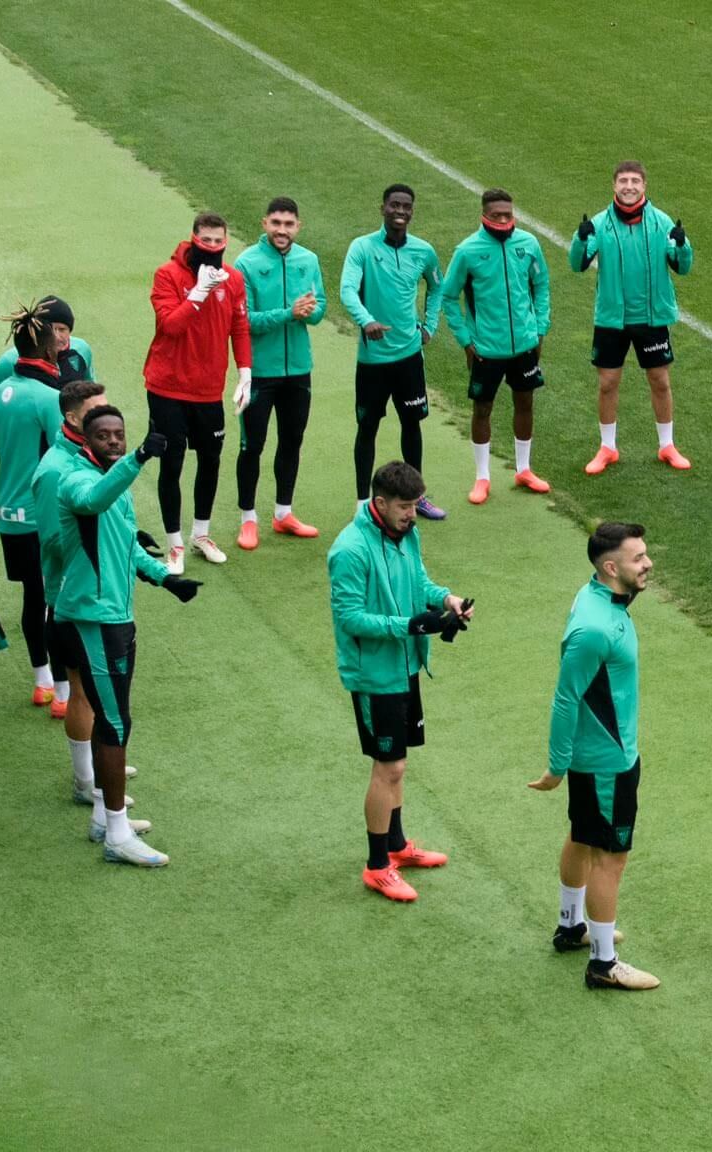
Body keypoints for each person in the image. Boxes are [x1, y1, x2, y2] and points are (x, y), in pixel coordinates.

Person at [54, 406, 200, 866]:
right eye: (104, 435)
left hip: (116, 615)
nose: (113, 441)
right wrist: (137, 457)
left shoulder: (113, 480)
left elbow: (125, 543)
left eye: (120, 434)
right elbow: (95, 500)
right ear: (85, 439)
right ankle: (116, 835)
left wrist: (164, 578)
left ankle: (104, 817)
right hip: (94, 620)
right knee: (115, 724)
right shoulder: (77, 480)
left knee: (107, 719)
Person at [328, 461, 470, 902]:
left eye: (415, 505)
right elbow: (350, 618)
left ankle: (395, 844)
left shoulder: (408, 534)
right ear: (380, 503)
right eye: (405, 506)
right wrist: (409, 625)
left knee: (400, 765)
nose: (413, 513)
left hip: (406, 666)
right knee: (386, 766)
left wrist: (446, 599)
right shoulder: (349, 550)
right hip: (374, 674)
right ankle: (376, 866)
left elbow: (419, 581)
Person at [528, 522, 659, 991]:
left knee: (583, 838)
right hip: (608, 761)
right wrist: (556, 767)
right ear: (610, 567)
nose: (647, 564)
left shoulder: (601, 597)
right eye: (637, 557)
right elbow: (566, 699)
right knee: (611, 856)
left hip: (604, 752)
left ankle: (571, 926)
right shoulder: (593, 628)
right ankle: (604, 964)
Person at [32, 379, 147, 824]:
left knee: (95, 701)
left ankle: (94, 780)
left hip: (92, 598)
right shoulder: (57, 470)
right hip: (75, 604)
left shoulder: (91, 460)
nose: (108, 421)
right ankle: (92, 786)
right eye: (97, 412)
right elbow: (55, 542)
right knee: (87, 696)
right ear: (75, 417)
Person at [568, 163, 693, 476]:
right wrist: (581, 240)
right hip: (612, 319)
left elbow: (682, 265)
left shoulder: (661, 221)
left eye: (635, 181)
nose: (629, 186)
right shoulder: (598, 223)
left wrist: (683, 244)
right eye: (623, 180)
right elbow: (577, 264)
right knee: (608, 383)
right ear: (614, 185)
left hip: (651, 319)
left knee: (660, 381)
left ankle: (667, 445)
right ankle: (607, 447)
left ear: (644, 185)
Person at [145, 212, 252, 572]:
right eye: (204, 240)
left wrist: (245, 373)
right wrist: (198, 293)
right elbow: (171, 326)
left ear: (226, 240)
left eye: (217, 240)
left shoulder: (234, 279)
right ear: (193, 238)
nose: (211, 246)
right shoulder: (167, 275)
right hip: (168, 388)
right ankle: (175, 544)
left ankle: (200, 534)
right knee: (172, 463)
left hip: (208, 391)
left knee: (210, 461)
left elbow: (239, 327)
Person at [342, 184, 446, 520]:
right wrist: (366, 320)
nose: (400, 211)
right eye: (394, 205)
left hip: (409, 357)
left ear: (412, 211)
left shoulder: (423, 251)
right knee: (367, 426)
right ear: (382, 207)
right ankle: (362, 504)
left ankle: (415, 498)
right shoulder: (362, 247)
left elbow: (437, 286)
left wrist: (429, 326)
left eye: (406, 206)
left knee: (411, 424)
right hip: (373, 360)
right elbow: (346, 290)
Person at [442, 187, 551, 502]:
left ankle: (524, 469)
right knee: (483, 408)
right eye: (496, 215)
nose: (504, 220)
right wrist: (465, 340)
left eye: (508, 214)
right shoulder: (467, 251)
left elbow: (541, 284)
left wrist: (540, 327)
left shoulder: (528, 244)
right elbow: (449, 297)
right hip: (486, 349)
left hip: (525, 346)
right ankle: (482, 477)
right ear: (484, 215)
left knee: (525, 403)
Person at [0, 302, 70, 707]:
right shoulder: (48, 397)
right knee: (56, 599)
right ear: (48, 350)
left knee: (33, 597)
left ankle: (41, 682)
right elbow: (63, 458)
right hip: (41, 517)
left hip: (7, 512)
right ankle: (62, 689)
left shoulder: (3, 391)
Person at [233, 195, 326, 550]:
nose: (282, 230)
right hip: (258, 374)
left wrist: (309, 312)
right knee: (251, 445)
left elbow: (320, 310)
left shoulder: (309, 260)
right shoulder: (247, 263)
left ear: (298, 227)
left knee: (291, 441)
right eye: (276, 223)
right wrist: (289, 313)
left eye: (288, 224)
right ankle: (248, 519)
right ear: (264, 224)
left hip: (298, 371)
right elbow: (245, 322)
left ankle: (283, 513)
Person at [0, 294, 96, 388]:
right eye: (50, 329)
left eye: (62, 329)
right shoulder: (11, 360)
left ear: (70, 330)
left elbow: (91, 391)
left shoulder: (82, 349)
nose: (56, 336)